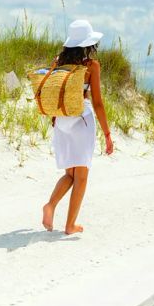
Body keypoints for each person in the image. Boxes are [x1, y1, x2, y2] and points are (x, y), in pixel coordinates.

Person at [42, 19, 114, 235]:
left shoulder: (57, 62)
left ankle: (50, 205)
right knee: (81, 176)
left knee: (70, 174)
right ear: (88, 43)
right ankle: (70, 225)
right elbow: (98, 103)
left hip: (61, 120)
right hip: (81, 119)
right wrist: (108, 134)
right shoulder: (91, 66)